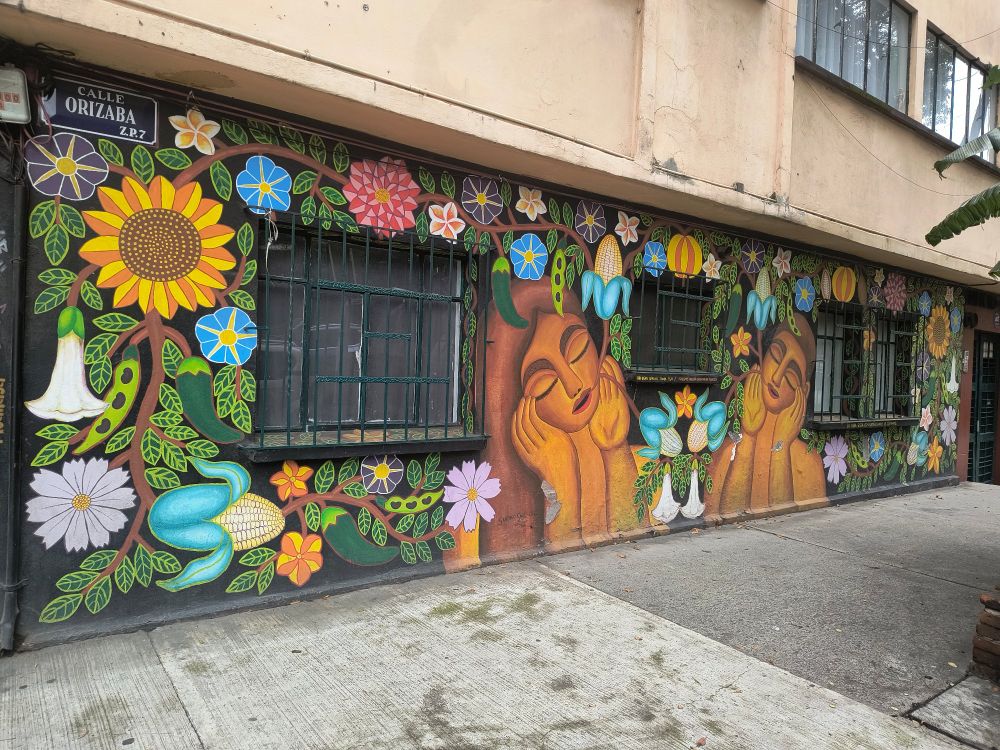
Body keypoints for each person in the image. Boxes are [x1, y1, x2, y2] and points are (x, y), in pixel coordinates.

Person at [475, 280, 641, 561]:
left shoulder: (636, 453)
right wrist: (560, 474)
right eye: (543, 380)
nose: (574, 385)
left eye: (577, 350)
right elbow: (564, 555)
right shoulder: (476, 504)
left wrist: (616, 449)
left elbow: (633, 528)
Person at [705, 313, 827, 517]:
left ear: (803, 391)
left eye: (791, 372)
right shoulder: (725, 452)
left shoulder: (809, 463)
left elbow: (786, 516)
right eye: (777, 356)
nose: (777, 377)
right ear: (764, 358)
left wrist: (781, 446)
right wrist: (748, 435)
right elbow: (726, 512)